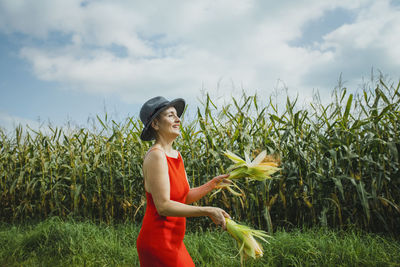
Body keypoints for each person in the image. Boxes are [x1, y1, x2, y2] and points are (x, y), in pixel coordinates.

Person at [136, 96, 231, 267]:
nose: (178, 119)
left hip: (175, 241)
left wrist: (212, 184)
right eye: (170, 115)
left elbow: (184, 197)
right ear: (155, 124)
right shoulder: (156, 155)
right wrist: (207, 210)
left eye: (177, 115)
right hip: (158, 241)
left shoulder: (176, 155)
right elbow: (164, 206)